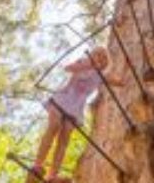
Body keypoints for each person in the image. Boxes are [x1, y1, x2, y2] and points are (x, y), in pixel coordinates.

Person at [27, 47, 124, 183]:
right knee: (53, 127)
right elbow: (68, 68)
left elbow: (116, 82)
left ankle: (52, 175)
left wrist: (123, 79)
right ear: (91, 55)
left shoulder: (100, 76)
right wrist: (86, 65)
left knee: (64, 140)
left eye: (104, 58)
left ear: (105, 63)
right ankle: (38, 164)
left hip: (76, 109)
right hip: (64, 99)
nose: (100, 59)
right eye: (97, 55)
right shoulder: (83, 63)